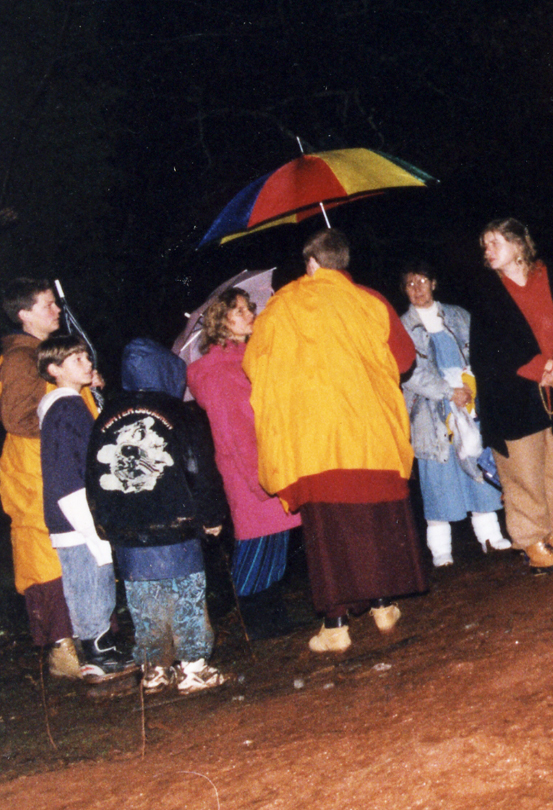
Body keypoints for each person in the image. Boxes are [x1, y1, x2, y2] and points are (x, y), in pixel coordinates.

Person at [244, 228, 426, 654]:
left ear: (310, 264)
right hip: (370, 433)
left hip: (314, 440)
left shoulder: (282, 305)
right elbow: (404, 359)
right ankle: (384, 606)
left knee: (330, 535)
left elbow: (255, 363)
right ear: (343, 263)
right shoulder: (369, 300)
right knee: (374, 523)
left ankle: (336, 625)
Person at [87, 338, 231, 694]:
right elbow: (200, 469)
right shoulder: (181, 413)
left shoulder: (105, 416)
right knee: (187, 594)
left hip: (127, 531)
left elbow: (92, 475)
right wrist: (211, 514)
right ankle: (193, 667)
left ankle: (153, 668)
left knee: (143, 599)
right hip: (176, 524)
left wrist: (105, 525)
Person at [470, 218, 553, 572]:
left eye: (494, 242)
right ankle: (532, 540)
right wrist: (542, 368)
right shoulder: (487, 292)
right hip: (514, 395)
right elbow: (488, 350)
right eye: (485, 245)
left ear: (518, 245)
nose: (487, 251)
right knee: (523, 470)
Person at [185, 288, 303, 640]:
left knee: (275, 540)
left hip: (268, 459)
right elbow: (234, 432)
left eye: (250, 307)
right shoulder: (218, 371)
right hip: (249, 469)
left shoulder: (247, 358)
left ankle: (273, 619)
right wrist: (259, 480)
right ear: (221, 322)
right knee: (257, 545)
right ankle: (257, 623)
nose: (251, 313)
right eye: (239, 311)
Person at [0, 279, 80, 678]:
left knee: (68, 552)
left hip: (51, 466)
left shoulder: (40, 355)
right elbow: (18, 418)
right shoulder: (20, 359)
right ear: (24, 314)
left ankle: (83, 642)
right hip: (34, 471)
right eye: (48, 305)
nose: (56, 311)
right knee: (46, 557)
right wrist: (65, 423)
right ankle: (64, 652)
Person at [36, 334, 134, 681]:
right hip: (77, 518)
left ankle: (101, 651)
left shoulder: (73, 404)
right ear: (54, 369)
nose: (88, 362)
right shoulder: (64, 409)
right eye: (76, 359)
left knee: (95, 582)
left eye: (86, 357)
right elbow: (68, 475)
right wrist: (91, 526)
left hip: (79, 516)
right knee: (90, 585)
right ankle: (96, 656)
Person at [398, 263, 510, 566]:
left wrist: (472, 384)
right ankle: (441, 550)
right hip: (430, 412)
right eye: (410, 283)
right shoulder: (400, 327)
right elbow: (409, 373)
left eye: (422, 280)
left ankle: (490, 535)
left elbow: (481, 352)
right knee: (438, 477)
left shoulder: (459, 315)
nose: (418, 288)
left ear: (434, 283)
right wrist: (448, 392)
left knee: (477, 465)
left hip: (469, 404)